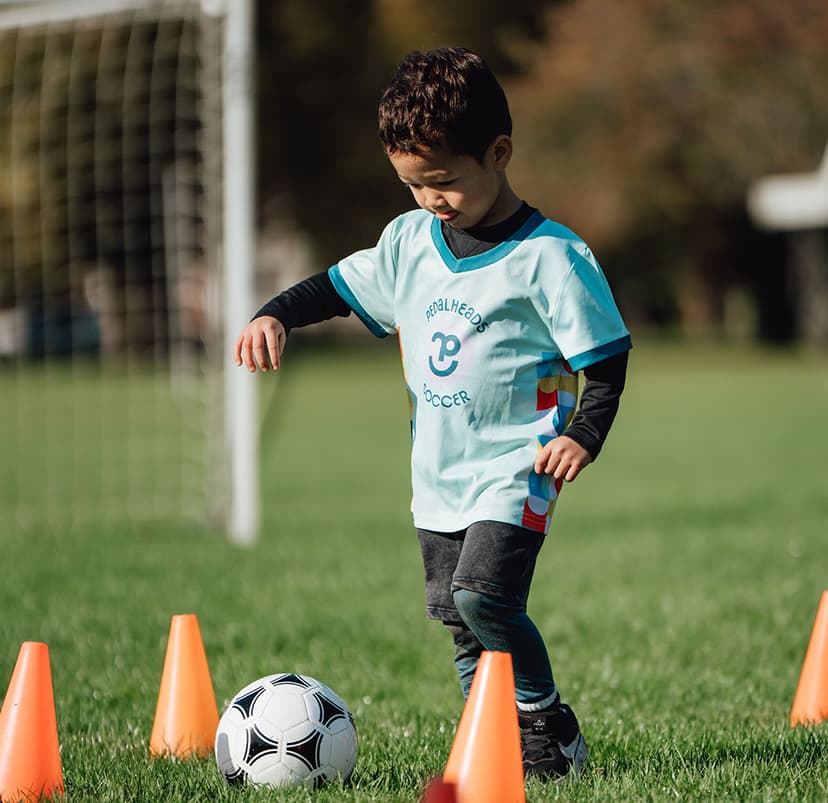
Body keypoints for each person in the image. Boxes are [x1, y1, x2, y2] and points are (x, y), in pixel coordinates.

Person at [234, 47, 631, 781]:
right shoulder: (409, 242)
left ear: (499, 153)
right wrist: (275, 314)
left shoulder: (550, 256)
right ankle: (495, 744)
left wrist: (583, 433)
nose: (430, 199)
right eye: (413, 184)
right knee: (458, 621)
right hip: (439, 473)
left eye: (443, 181)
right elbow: (335, 285)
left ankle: (546, 725)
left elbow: (605, 355)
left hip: (520, 466)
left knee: (484, 595)